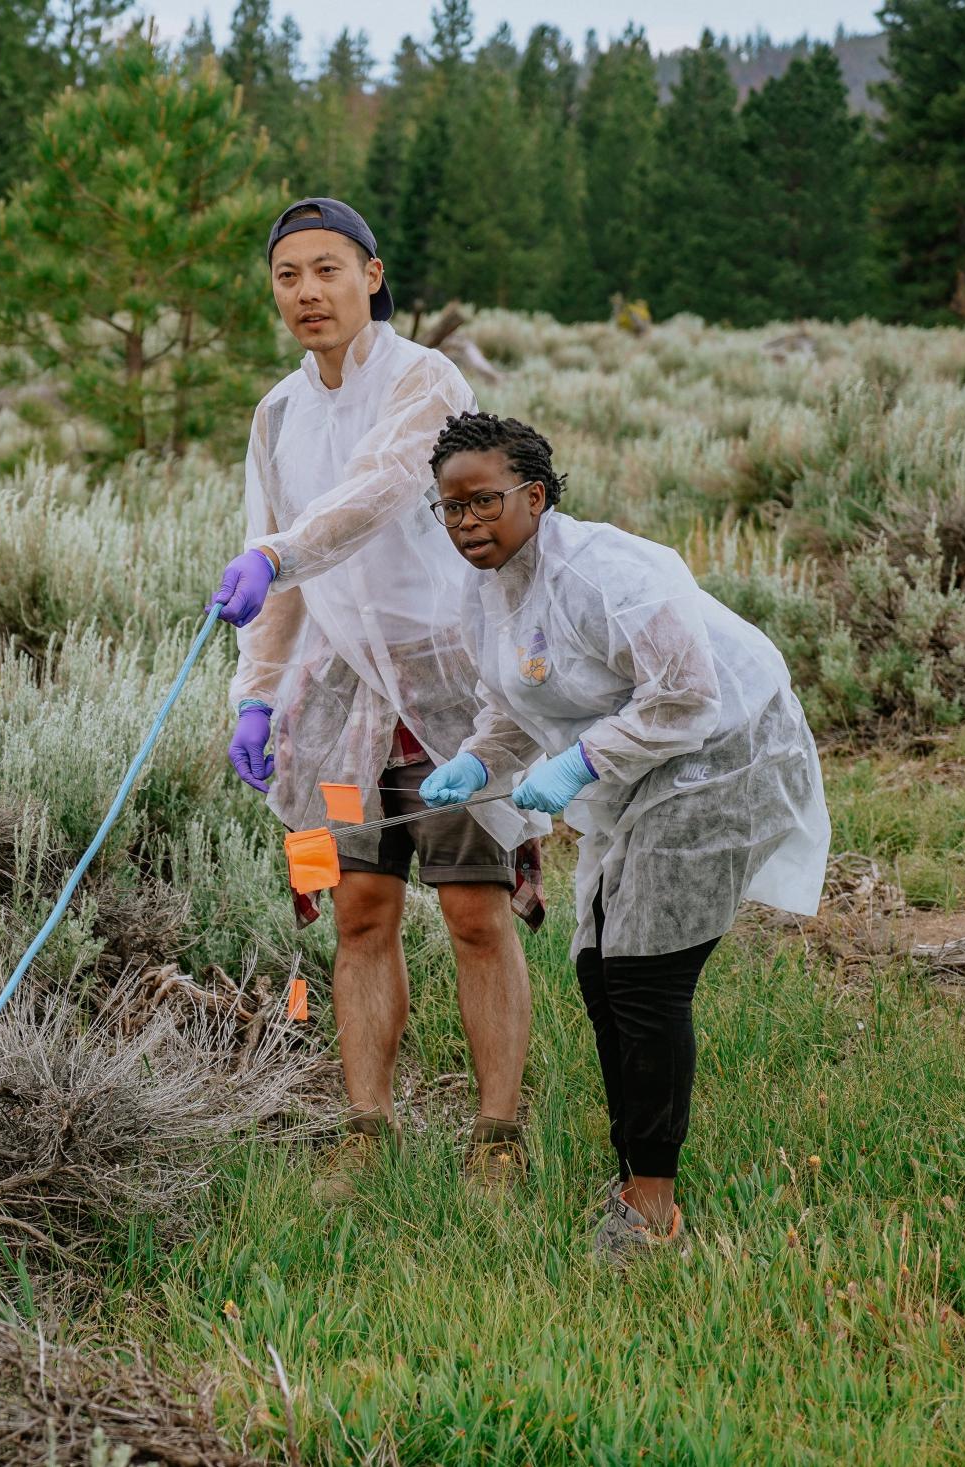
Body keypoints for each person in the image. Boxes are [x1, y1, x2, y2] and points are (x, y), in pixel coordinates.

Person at [415, 411, 830, 1264]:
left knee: (645, 975)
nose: (466, 524)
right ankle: (632, 1168)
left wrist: (578, 762)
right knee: (600, 972)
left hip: (722, 753)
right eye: (449, 508)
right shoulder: (482, 588)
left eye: (484, 502)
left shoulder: (611, 572)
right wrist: (477, 758)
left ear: (534, 494)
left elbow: (685, 695)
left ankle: (651, 1209)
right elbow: (510, 699)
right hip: (632, 769)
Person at [207, 199, 551, 1200]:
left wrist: (273, 552)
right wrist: (257, 695)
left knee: (475, 910)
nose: (307, 292)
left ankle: (496, 1133)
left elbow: (371, 492)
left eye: (326, 270)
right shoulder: (275, 414)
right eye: (286, 277)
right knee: (356, 905)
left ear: (371, 275)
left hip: (449, 696)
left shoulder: (425, 381)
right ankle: (365, 1125)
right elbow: (283, 581)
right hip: (337, 709)